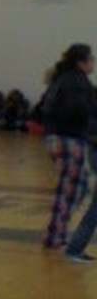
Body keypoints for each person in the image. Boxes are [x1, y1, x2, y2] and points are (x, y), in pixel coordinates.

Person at [40, 43, 95, 253]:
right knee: (70, 189)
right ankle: (55, 235)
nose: (93, 63)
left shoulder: (64, 78)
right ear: (81, 62)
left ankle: (57, 232)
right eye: (91, 59)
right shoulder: (76, 82)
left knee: (76, 187)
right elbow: (79, 110)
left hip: (58, 137)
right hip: (69, 138)